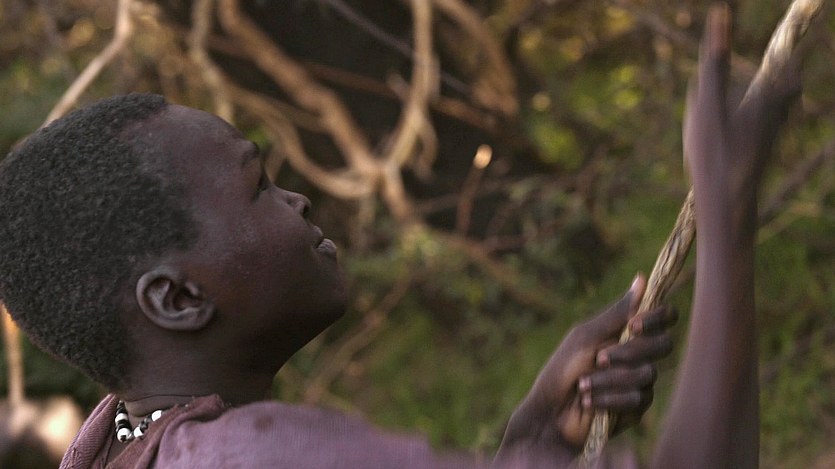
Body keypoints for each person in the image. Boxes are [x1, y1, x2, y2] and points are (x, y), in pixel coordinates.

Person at [0, 4, 797, 468]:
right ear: (177, 299)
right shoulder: (263, 453)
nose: (299, 199)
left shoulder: (115, 443)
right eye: (258, 185)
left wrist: (529, 438)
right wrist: (726, 207)